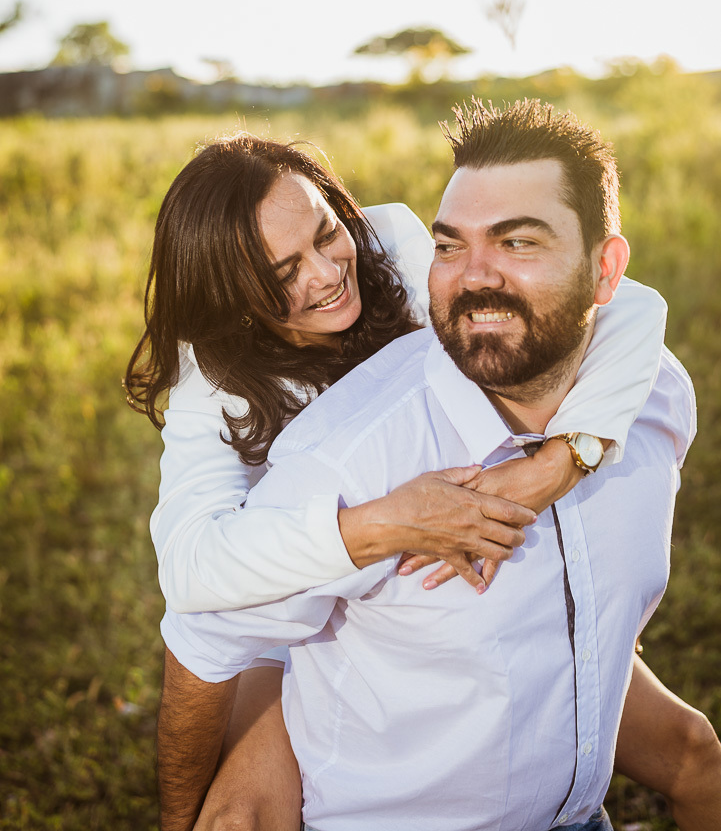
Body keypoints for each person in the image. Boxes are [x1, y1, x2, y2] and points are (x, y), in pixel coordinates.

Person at [125, 126, 720, 829]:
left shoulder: (397, 247)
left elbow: (629, 309)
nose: (321, 273)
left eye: (324, 234)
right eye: (280, 274)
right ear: (230, 294)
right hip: (295, 611)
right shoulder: (213, 381)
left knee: (692, 749)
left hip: (448, 598)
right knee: (236, 815)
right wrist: (387, 523)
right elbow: (196, 576)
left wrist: (558, 463)